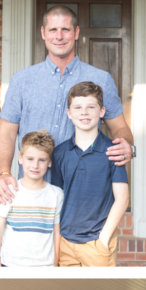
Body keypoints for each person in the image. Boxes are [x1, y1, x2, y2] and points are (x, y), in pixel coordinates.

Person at [0, 5, 133, 205]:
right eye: (53, 30)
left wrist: (127, 145)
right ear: (43, 33)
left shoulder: (100, 79)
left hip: (83, 191)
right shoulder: (22, 80)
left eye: (65, 30)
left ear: (76, 33)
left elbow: (120, 128)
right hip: (32, 190)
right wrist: (3, 173)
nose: (59, 36)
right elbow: (6, 132)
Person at [50, 82, 129, 267]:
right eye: (78, 107)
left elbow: (122, 199)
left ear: (101, 111)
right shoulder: (60, 153)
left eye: (90, 107)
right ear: (69, 113)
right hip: (66, 243)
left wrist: (103, 239)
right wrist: (58, 238)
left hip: (97, 243)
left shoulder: (112, 151)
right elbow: (57, 199)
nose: (84, 112)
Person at [0, 130, 63, 267]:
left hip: (44, 267)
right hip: (11, 265)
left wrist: (55, 266)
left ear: (49, 162)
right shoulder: (9, 191)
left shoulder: (56, 194)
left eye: (42, 160)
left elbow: (56, 234)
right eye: (30, 159)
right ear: (20, 158)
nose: (35, 165)